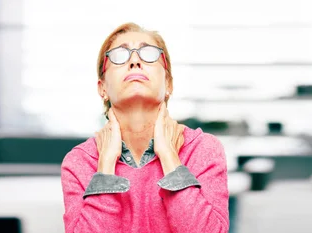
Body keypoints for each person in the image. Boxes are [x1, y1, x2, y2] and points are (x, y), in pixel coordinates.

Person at [60, 22, 229, 233]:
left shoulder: (203, 149)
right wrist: (105, 170)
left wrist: (170, 158)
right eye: (119, 56)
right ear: (102, 88)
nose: (134, 61)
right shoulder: (80, 162)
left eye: (148, 53)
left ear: (169, 84)